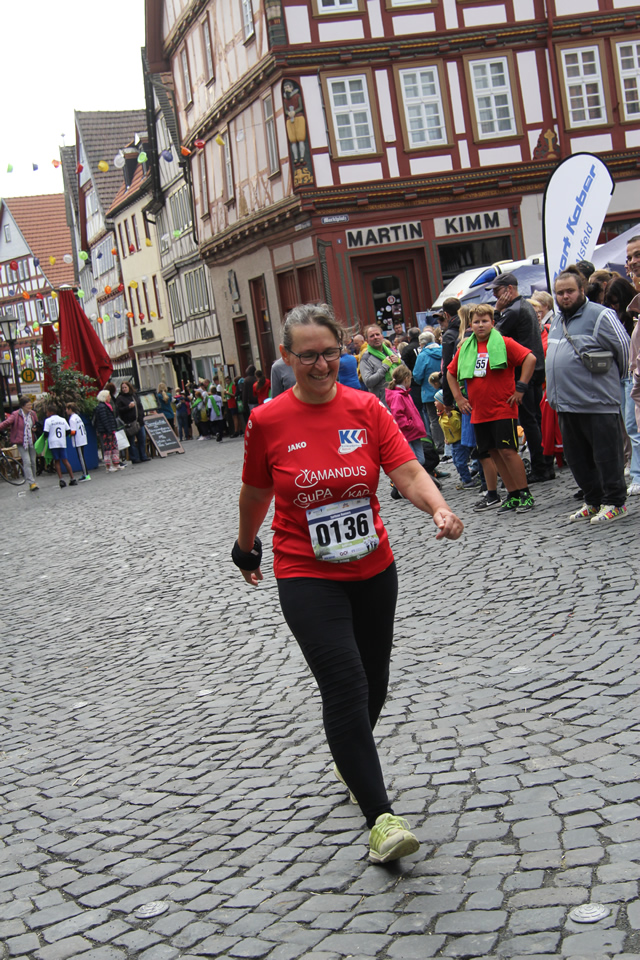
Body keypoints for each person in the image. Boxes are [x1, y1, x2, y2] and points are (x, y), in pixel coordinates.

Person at [234, 303, 463, 863]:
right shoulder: (267, 420)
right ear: (286, 357)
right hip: (305, 571)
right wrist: (245, 545)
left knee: (374, 680)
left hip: (373, 567)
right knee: (345, 682)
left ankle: (349, 753)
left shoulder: (366, 407)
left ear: (343, 351)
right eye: (308, 355)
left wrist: (437, 506)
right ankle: (381, 819)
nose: (321, 365)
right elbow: (257, 491)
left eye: (330, 353)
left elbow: (406, 470)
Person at [546, 266, 630, 524]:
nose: (564, 296)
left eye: (570, 291)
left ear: (582, 290)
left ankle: (615, 502)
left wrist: (613, 383)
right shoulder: (558, 321)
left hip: (597, 402)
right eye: (560, 293)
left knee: (606, 456)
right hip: (566, 404)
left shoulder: (601, 315)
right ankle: (593, 500)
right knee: (577, 458)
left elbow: (623, 349)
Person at [447, 302, 537, 514]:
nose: (480, 325)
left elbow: (530, 358)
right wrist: (459, 398)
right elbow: (450, 373)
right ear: (470, 325)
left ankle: (525, 493)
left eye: (485, 321)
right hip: (479, 411)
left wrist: (521, 388)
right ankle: (512, 494)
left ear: (492, 323)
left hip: (503, 407)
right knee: (494, 453)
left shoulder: (504, 342)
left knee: (508, 451)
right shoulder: (466, 347)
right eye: (476, 322)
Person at [489, 273, 550, 483]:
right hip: (534, 368)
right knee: (535, 420)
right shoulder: (524, 306)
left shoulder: (513, 310)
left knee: (529, 421)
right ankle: (545, 464)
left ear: (509, 289)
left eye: (497, 291)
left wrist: (497, 311)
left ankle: (541, 467)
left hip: (523, 372)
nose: (494, 295)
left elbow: (493, 336)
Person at [385, 365, 426, 467]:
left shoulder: (405, 394)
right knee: (413, 460)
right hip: (408, 432)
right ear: (406, 379)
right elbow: (397, 414)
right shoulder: (398, 396)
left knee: (420, 459)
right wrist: (409, 424)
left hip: (414, 431)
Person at [412, 331, 445, 450]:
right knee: (449, 416)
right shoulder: (443, 350)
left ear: (421, 343)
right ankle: (452, 444)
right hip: (445, 389)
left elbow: (417, 375)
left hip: (430, 392)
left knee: (434, 420)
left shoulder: (422, 356)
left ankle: (440, 445)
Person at [0, 396, 39, 491]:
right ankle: (31, 482)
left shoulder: (33, 414)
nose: (30, 407)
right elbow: (6, 423)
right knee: (27, 461)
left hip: (32, 441)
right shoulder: (16, 414)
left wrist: (35, 428)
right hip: (21, 442)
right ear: (22, 406)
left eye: (30, 405)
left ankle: (33, 480)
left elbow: (37, 424)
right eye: (28, 405)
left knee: (33, 462)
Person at [359, 324, 401, 403]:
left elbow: (405, 371)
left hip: (398, 397)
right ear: (367, 341)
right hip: (383, 402)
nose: (375, 337)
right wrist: (384, 367)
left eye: (377, 334)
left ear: (382, 336)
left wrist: (400, 362)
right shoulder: (365, 359)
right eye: (372, 336)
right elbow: (368, 382)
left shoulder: (390, 351)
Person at [43, 405, 77, 488]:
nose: (46, 414)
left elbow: (46, 433)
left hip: (53, 443)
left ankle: (61, 479)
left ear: (50, 412)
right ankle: (72, 478)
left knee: (57, 461)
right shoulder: (62, 419)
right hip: (62, 442)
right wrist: (63, 436)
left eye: (47, 412)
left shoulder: (48, 421)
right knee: (65, 460)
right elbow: (68, 431)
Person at [116, 382, 149, 463]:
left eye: (125, 387)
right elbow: (119, 410)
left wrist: (141, 416)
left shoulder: (134, 395)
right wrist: (128, 407)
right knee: (131, 442)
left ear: (129, 387)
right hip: (129, 423)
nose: (124, 389)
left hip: (139, 421)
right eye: (123, 388)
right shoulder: (120, 398)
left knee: (142, 439)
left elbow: (140, 406)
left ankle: (143, 455)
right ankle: (135, 458)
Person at [94, 389, 125, 473]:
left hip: (111, 430)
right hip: (106, 431)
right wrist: (109, 430)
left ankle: (116, 463)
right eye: (108, 396)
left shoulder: (107, 406)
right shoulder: (102, 407)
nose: (110, 397)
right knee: (107, 448)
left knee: (114, 447)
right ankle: (108, 465)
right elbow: (104, 420)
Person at [439, 298, 462, 409]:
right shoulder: (467, 328)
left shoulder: (449, 335)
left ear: (446, 315)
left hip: (458, 386)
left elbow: (448, 366)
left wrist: (447, 400)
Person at [66, 403, 91, 481]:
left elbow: (73, 431)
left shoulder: (72, 419)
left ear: (70, 409)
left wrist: (68, 433)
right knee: (81, 456)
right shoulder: (77, 417)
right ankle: (84, 473)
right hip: (82, 438)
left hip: (78, 440)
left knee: (81, 457)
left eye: (67, 409)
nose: (66, 411)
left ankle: (86, 474)